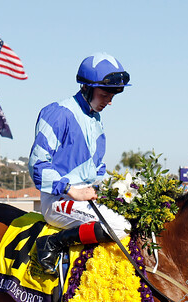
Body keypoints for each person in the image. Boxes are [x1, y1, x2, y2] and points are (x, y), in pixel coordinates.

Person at [28, 52, 132, 274]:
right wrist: (70, 189)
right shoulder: (58, 113)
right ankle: (52, 243)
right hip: (58, 199)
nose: (110, 102)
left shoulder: (95, 119)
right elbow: (37, 165)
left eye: (112, 96)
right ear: (86, 88)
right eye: (105, 95)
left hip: (84, 197)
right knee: (119, 227)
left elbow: (95, 170)